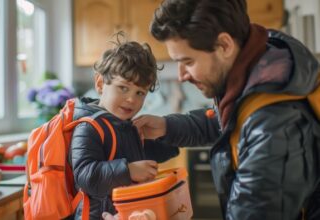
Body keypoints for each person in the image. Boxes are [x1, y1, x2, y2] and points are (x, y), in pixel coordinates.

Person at [103, 0, 320, 219]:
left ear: (224, 45)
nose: (181, 75)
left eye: (188, 61)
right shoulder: (261, 59)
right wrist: (166, 126)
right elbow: (222, 122)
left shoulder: (273, 128)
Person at [70, 33, 179, 219]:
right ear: (100, 84)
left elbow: (154, 151)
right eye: (123, 88)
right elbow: (86, 176)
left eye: (140, 93)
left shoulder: (126, 126)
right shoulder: (89, 126)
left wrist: (167, 133)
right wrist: (129, 170)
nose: (131, 99)